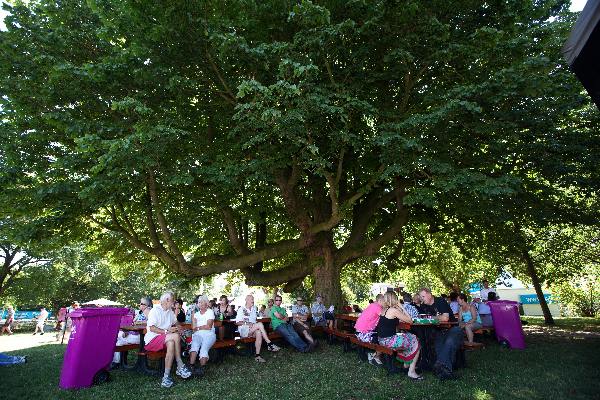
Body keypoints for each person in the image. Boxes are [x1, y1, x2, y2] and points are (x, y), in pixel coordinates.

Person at [144, 291, 192, 388]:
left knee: (171, 343)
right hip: (152, 340)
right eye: (172, 301)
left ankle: (166, 377)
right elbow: (152, 328)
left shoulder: (170, 311)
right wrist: (166, 331)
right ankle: (180, 364)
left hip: (165, 338)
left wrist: (179, 327)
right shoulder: (155, 310)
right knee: (175, 336)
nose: (173, 303)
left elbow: (176, 321)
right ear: (166, 300)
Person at [418, 287, 463, 381]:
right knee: (438, 343)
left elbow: (445, 318)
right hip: (438, 331)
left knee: (449, 342)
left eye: (423, 296)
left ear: (430, 295)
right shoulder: (423, 306)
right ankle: (445, 372)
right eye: (420, 297)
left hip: (453, 328)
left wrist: (430, 317)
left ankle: (439, 365)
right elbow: (422, 319)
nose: (421, 299)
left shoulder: (440, 301)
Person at [376, 292, 423, 380]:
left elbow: (396, 320)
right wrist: (401, 306)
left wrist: (399, 308)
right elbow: (410, 320)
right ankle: (411, 371)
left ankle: (406, 365)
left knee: (409, 337)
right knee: (416, 340)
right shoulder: (393, 310)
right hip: (389, 341)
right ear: (394, 299)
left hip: (382, 340)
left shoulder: (384, 310)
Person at [236, 294, 281, 362]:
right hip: (244, 330)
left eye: (253, 299)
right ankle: (269, 343)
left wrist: (254, 324)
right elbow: (237, 322)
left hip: (252, 330)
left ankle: (257, 356)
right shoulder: (241, 309)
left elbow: (254, 320)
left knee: (259, 332)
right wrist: (247, 323)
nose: (253, 301)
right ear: (246, 300)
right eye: (251, 299)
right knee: (260, 324)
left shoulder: (254, 308)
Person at [113, 296, 152, 364]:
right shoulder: (141, 312)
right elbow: (134, 322)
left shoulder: (148, 310)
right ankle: (119, 362)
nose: (140, 305)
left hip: (141, 336)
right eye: (140, 303)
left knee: (116, 338)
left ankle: (117, 362)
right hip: (136, 334)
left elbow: (151, 322)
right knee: (117, 339)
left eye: (142, 304)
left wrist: (139, 322)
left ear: (147, 305)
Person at [189, 295, 217, 375]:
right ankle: (191, 366)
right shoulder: (196, 314)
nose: (200, 304)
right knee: (194, 346)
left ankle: (202, 368)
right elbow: (193, 328)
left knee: (204, 348)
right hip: (197, 334)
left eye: (202, 302)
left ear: (206, 303)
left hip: (209, 334)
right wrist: (193, 316)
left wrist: (198, 328)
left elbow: (208, 326)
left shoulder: (210, 312)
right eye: (198, 302)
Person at [355, 294, 384, 365]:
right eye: (385, 301)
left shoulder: (372, 305)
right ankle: (375, 356)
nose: (386, 303)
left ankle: (374, 354)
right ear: (380, 300)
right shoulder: (377, 307)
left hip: (359, 332)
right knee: (384, 339)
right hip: (363, 334)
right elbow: (385, 318)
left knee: (381, 335)